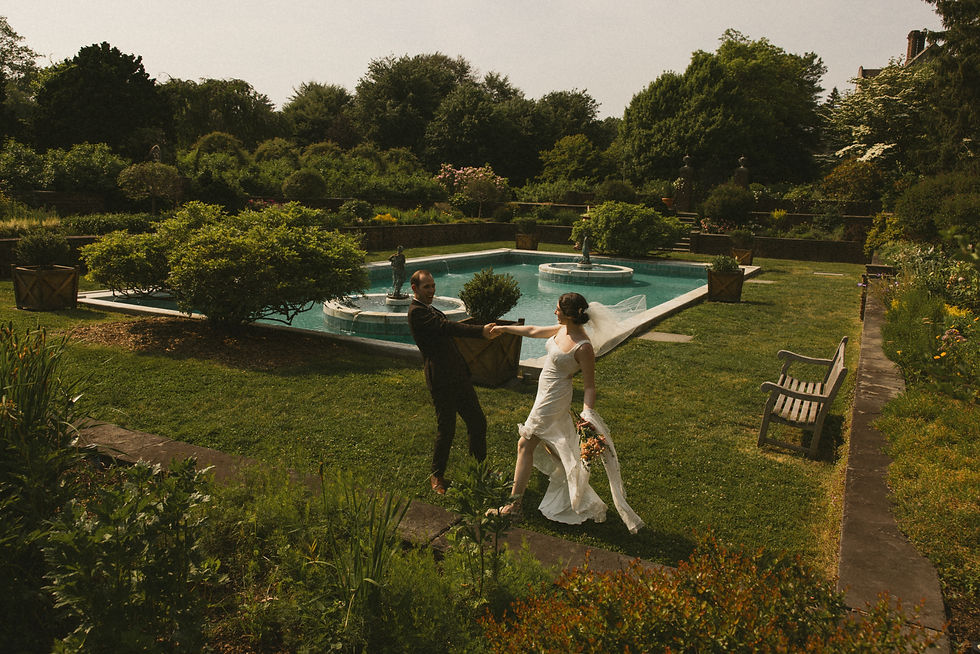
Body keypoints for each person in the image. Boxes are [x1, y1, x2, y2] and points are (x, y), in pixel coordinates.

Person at [489, 292, 644, 533]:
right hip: (545, 393)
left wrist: (587, 415)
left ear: (570, 315)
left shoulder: (583, 347)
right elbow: (532, 331)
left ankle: (513, 506)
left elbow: (590, 385)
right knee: (556, 448)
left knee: (525, 443)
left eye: (558, 309)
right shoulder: (561, 330)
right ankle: (579, 494)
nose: (555, 312)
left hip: (554, 397)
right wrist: (503, 329)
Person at [408, 269, 496, 494]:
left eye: (433, 285)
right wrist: (480, 331)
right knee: (446, 429)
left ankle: (479, 471)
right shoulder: (417, 313)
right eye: (426, 287)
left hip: (459, 377)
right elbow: (446, 328)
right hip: (441, 380)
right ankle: (437, 475)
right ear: (414, 289)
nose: (432, 290)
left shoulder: (432, 310)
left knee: (477, 423)